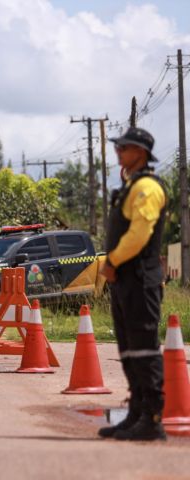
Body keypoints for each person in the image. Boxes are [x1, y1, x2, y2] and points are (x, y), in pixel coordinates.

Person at [98, 126, 167, 441]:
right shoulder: (129, 187)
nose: (119, 152)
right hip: (126, 280)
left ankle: (152, 420)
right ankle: (137, 413)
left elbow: (140, 233)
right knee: (128, 349)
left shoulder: (147, 189)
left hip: (139, 278)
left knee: (143, 349)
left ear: (140, 153)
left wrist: (112, 261)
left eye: (124, 147)